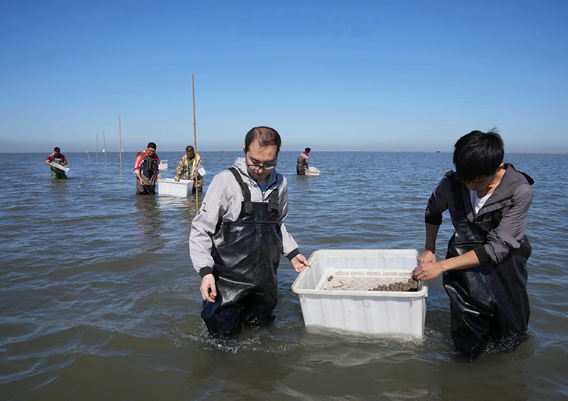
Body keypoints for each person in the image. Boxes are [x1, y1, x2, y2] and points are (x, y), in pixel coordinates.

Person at [414, 129, 534, 357]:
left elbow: (497, 247)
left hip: (506, 263)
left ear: (499, 166)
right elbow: (433, 209)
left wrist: (441, 266)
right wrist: (430, 248)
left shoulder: (520, 191)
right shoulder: (452, 182)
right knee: (467, 343)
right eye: (465, 180)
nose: (470, 187)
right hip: (463, 259)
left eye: (478, 182)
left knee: (510, 339)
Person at [189, 126, 310, 338]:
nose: (261, 169)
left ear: (278, 155)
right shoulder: (225, 181)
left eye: (269, 163)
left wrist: (292, 252)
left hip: (265, 283)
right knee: (221, 341)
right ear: (245, 150)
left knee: (262, 336)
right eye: (255, 162)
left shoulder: (281, 183)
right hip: (227, 283)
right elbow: (201, 229)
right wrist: (205, 272)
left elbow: (277, 223)